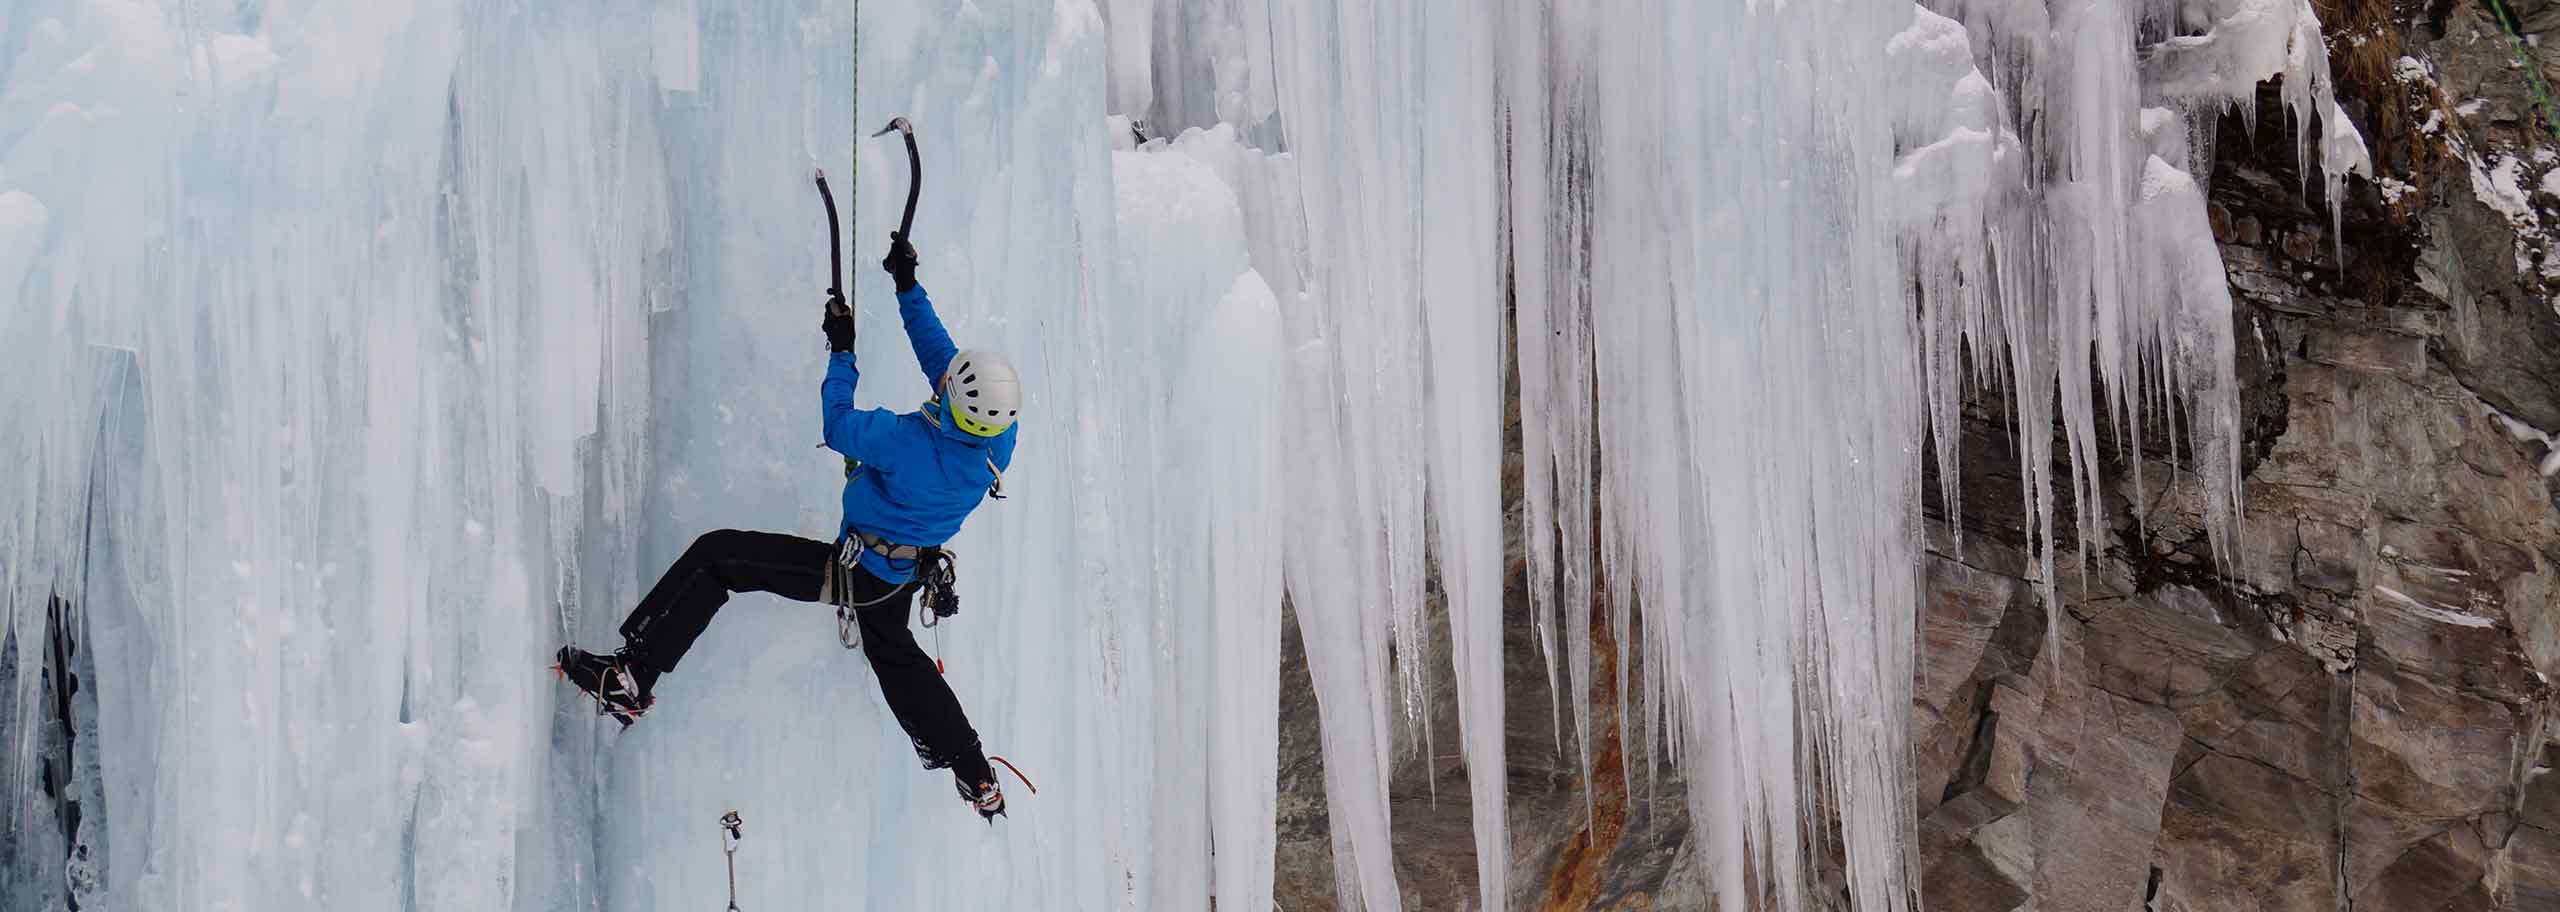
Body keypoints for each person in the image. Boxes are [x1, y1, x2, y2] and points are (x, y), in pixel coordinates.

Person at [556, 232, 1021, 820]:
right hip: (905, 572)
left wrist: (842, 352)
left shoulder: (904, 442)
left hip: (860, 570)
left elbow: (838, 425)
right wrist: (908, 288)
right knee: (900, 663)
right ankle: (974, 773)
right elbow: (944, 361)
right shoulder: (995, 444)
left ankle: (632, 675)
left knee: (718, 558)